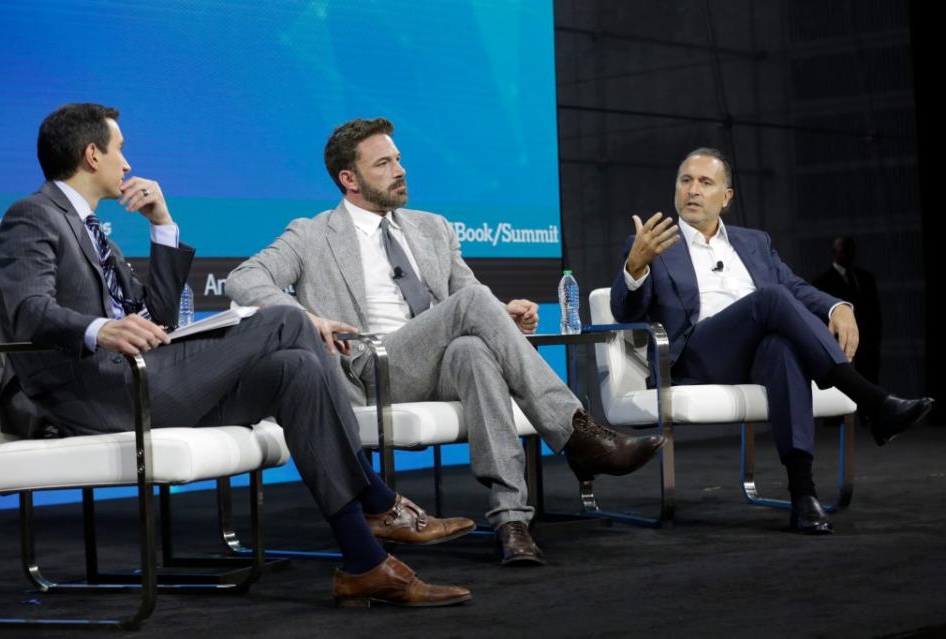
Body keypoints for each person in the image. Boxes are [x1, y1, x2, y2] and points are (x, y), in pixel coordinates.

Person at [0, 103, 475, 607]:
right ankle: (375, 496)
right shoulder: (34, 215)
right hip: (95, 394)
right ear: (92, 155)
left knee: (297, 369)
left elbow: (160, 317)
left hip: (140, 379)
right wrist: (100, 328)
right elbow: (28, 310)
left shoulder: (93, 233)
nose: (128, 165)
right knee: (285, 318)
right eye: (120, 150)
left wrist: (162, 225)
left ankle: (363, 563)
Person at [226, 117, 665, 566]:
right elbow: (244, 280)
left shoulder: (432, 228)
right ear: (349, 179)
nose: (400, 170)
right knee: (474, 308)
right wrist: (307, 318)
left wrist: (504, 314)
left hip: (434, 363)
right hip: (368, 368)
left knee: (473, 350)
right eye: (383, 164)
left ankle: (511, 521)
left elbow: (468, 299)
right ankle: (580, 436)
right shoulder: (312, 234)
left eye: (398, 159)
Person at [610, 147, 934, 534]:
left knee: (782, 348)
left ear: (726, 197)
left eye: (705, 182)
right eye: (686, 180)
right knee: (769, 301)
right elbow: (625, 312)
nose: (693, 190)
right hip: (694, 357)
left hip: (753, 352)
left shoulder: (753, 243)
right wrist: (635, 265)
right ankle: (872, 400)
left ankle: (803, 496)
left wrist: (837, 308)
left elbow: (794, 286)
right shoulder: (654, 242)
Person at [813, 236, 882, 385]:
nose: (847, 254)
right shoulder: (822, 282)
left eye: (850, 250)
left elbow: (875, 313)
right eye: (843, 250)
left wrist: (875, 342)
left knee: (872, 388)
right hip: (842, 348)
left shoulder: (865, 278)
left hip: (868, 348)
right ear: (835, 252)